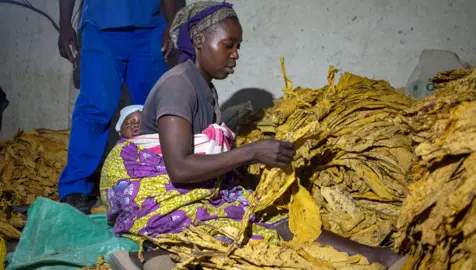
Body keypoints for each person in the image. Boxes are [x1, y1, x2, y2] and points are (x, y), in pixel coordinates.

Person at [100, 1, 402, 267]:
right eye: (228, 45)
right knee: (242, 232)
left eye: (238, 47)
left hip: (188, 180)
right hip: (151, 190)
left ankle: (378, 257)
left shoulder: (204, 87)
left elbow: (204, 155)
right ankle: (152, 260)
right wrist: (252, 152)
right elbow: (178, 168)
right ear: (200, 40)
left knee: (274, 214)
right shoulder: (178, 86)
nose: (235, 55)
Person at [57, 0, 177, 214]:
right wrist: (65, 23)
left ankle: (158, 179)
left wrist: (171, 22)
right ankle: (75, 188)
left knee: (153, 108)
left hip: (149, 27)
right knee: (95, 107)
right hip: (100, 26)